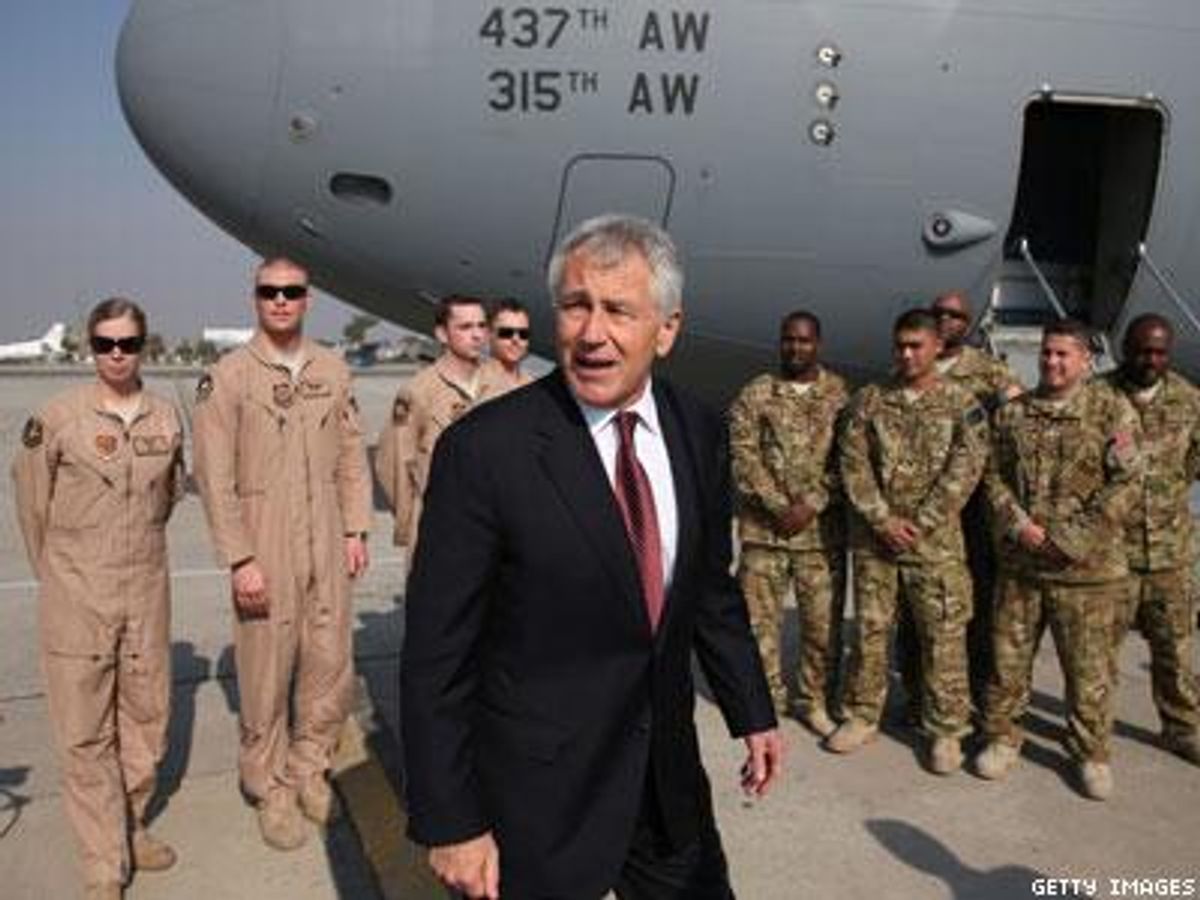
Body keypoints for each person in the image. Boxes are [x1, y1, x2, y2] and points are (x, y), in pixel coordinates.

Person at [401, 214, 783, 899]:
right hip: (537, 799)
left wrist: (750, 708)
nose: (592, 333)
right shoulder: (486, 451)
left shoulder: (699, 430)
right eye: (576, 306)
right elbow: (437, 654)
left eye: (618, 310)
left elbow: (708, 589)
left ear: (666, 329)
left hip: (663, 781)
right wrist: (451, 821)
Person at [192, 257, 372, 849]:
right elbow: (213, 476)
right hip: (264, 539)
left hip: (327, 534)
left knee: (329, 661)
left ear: (306, 299)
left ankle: (309, 768)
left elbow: (351, 455)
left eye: (291, 292)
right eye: (270, 291)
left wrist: (355, 529)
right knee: (265, 672)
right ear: (255, 298)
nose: (280, 300)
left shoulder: (332, 369)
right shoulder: (229, 377)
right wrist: (239, 558)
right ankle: (269, 786)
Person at [12, 298, 185, 900]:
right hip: (77, 592)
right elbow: (31, 504)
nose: (117, 354)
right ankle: (103, 861)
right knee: (84, 731)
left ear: (143, 347)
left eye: (128, 344)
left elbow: (168, 497)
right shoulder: (58, 418)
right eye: (105, 344)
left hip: (145, 587)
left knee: (148, 718)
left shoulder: (167, 417)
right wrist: (63, 573)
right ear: (91, 347)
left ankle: (130, 824)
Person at [976, 319, 1142, 800]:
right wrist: (1019, 525)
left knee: (1090, 671)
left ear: (1086, 360)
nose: (1051, 362)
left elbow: (1127, 484)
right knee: (1008, 662)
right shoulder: (1014, 414)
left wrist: (1070, 539)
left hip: (1086, 573)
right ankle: (1002, 738)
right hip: (1022, 566)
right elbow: (991, 476)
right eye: (1047, 353)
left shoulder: (1112, 411)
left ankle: (1091, 753)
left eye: (1062, 354)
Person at [830, 309, 987, 774]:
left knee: (943, 638)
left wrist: (919, 523)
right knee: (871, 633)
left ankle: (946, 730)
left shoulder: (961, 404)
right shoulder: (870, 400)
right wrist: (882, 520)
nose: (906, 354)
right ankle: (862, 716)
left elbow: (966, 470)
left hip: (935, 546)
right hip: (877, 544)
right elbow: (853, 463)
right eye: (900, 345)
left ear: (937, 346)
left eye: (916, 346)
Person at [729, 310, 849, 737]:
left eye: (804, 340)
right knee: (758, 626)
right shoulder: (756, 393)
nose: (795, 347)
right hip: (766, 535)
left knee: (822, 628)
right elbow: (743, 456)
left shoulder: (839, 396)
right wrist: (780, 506)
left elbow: (849, 461)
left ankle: (814, 701)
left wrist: (812, 503)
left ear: (818, 344)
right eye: (788, 339)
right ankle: (764, 702)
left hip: (820, 537)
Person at [1103, 314, 1200, 765]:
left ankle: (1183, 729)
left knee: (1174, 650)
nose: (1151, 360)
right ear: (1125, 348)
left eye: (1160, 352)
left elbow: (1193, 463)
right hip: (1112, 553)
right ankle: (1093, 729)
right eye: (1143, 351)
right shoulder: (1099, 396)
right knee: (1099, 653)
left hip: (1170, 553)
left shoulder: (1189, 400)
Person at [374, 294, 505, 548]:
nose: (477, 335)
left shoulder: (503, 385)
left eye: (482, 326)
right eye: (465, 327)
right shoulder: (418, 391)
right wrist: (414, 519)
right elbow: (393, 463)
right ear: (442, 334)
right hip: (440, 531)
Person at [487, 296, 534, 392]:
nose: (516, 339)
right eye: (506, 332)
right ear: (488, 334)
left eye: (523, 333)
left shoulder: (533, 386)